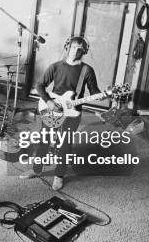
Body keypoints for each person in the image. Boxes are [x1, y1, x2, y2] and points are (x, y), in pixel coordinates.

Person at [30, 36, 101, 190]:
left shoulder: (87, 70)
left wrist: (106, 94)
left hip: (73, 112)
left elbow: (94, 92)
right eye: (74, 47)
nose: (76, 51)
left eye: (80, 49)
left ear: (85, 51)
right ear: (68, 46)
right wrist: (49, 101)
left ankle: (59, 176)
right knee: (44, 139)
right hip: (53, 108)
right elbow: (40, 85)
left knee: (65, 144)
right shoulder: (55, 66)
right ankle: (36, 170)